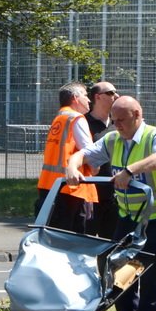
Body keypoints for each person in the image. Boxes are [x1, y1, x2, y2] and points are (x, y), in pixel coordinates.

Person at [66, 95, 156, 311]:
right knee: (122, 285)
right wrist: (73, 167)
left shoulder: (155, 137)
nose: (116, 125)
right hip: (129, 222)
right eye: (114, 120)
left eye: (122, 120)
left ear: (138, 115)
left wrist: (130, 171)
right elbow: (82, 154)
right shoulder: (113, 139)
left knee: (151, 290)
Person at [35, 82, 97, 232]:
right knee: (72, 239)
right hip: (71, 188)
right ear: (75, 98)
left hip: (50, 185)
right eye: (85, 95)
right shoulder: (76, 118)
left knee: (52, 236)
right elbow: (90, 152)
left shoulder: (60, 118)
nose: (89, 100)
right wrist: (95, 169)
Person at [84, 81, 119, 238]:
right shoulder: (82, 123)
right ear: (97, 97)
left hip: (114, 196)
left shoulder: (118, 125)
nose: (116, 96)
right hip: (90, 196)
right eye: (111, 93)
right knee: (85, 246)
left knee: (111, 248)